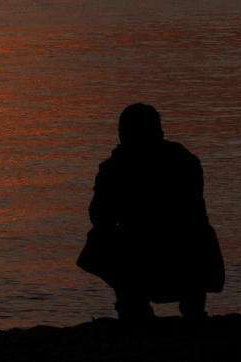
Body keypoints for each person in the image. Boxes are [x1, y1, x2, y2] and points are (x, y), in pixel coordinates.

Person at [77, 103, 224, 321]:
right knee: (197, 231)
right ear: (160, 132)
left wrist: (111, 172)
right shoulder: (185, 159)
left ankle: (133, 304)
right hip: (188, 252)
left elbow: (100, 218)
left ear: (123, 135)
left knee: (100, 238)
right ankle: (192, 306)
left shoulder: (116, 168)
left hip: (145, 252)